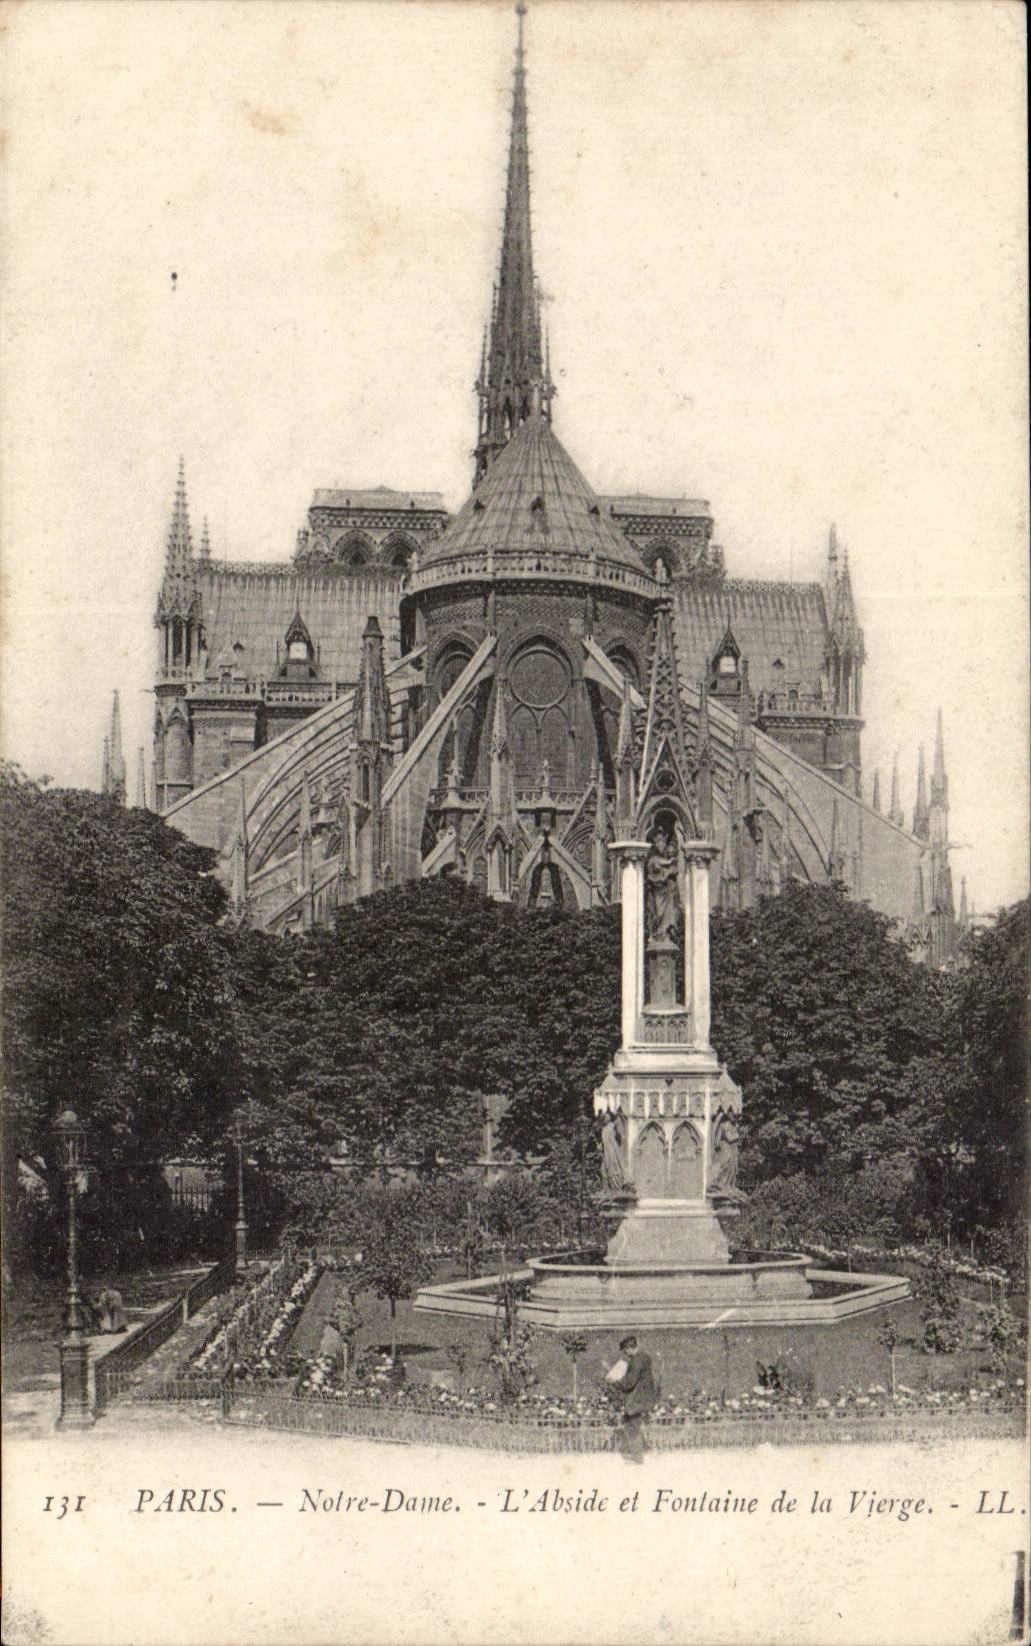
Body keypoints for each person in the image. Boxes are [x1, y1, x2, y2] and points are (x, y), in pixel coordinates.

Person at [607, 1334, 658, 1461]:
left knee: (632, 1425)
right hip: (646, 1396)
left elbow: (628, 1384)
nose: (625, 1353)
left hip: (637, 1398)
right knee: (629, 1421)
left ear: (629, 1348)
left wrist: (614, 1381)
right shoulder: (645, 1356)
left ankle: (637, 1457)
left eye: (625, 1350)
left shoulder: (635, 1360)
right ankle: (646, 1449)